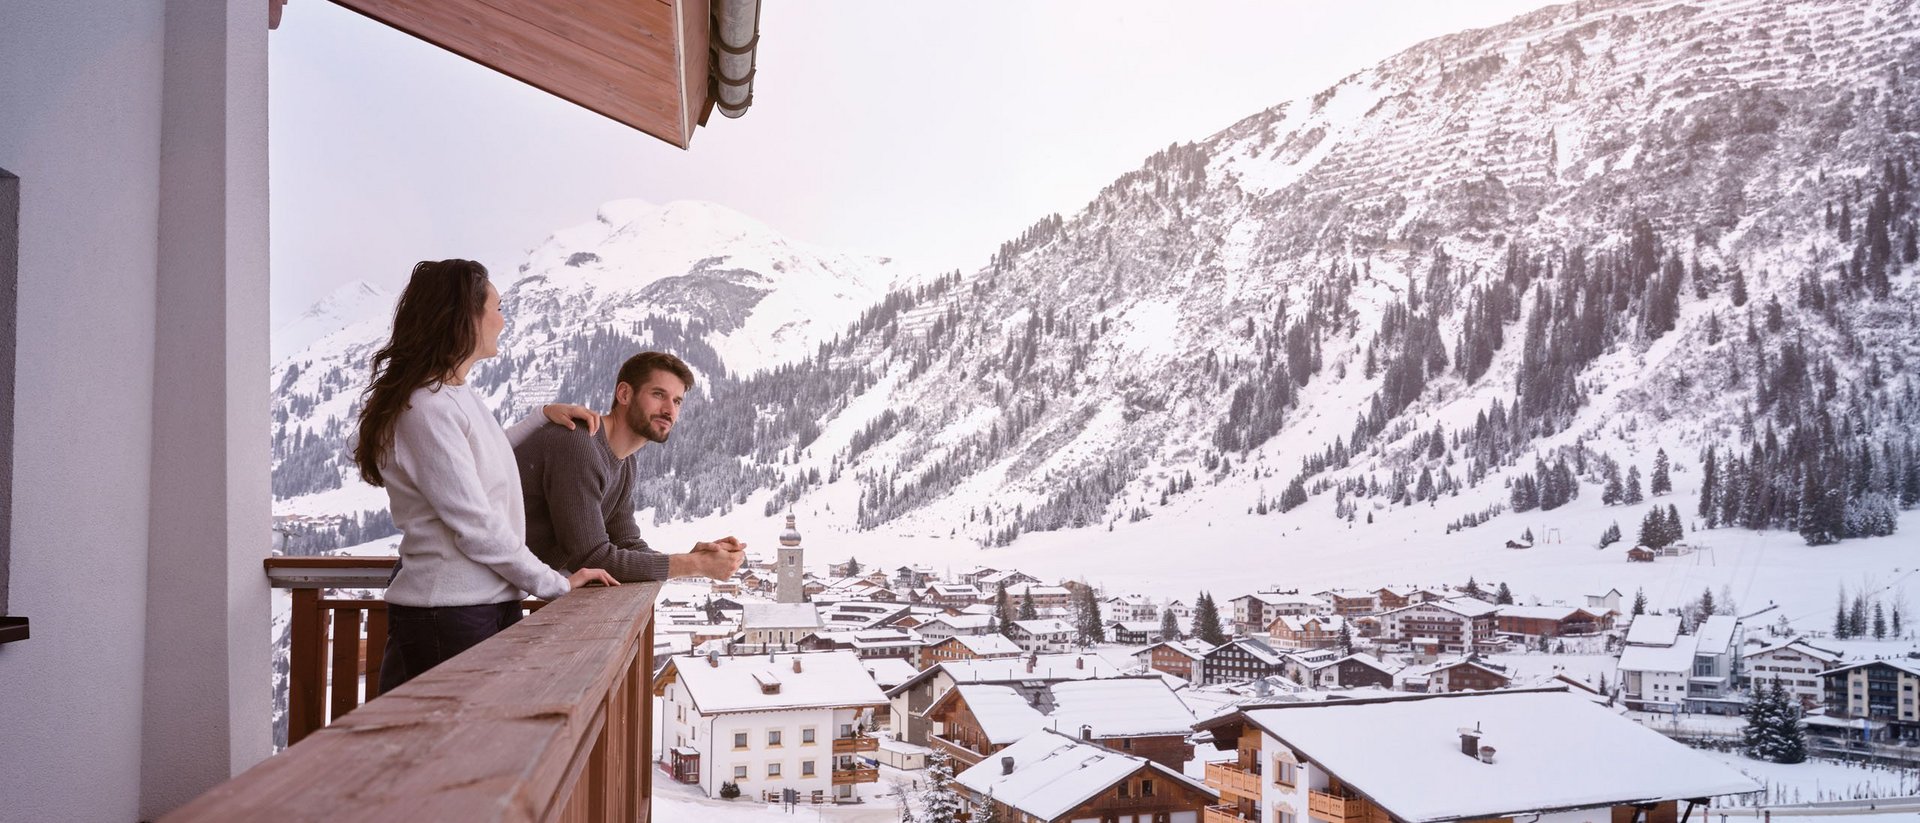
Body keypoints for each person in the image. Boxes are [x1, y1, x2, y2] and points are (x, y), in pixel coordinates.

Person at [351, 259, 619, 692]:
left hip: (478, 606)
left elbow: (483, 458)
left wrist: (540, 416)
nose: (503, 320)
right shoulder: (426, 408)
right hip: (448, 614)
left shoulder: (451, 396)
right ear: (465, 318)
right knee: (447, 734)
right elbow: (475, 523)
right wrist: (553, 583)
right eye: (497, 308)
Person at [513, 351, 745, 582]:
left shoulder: (625, 463)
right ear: (624, 394)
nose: (669, 410)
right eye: (658, 394)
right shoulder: (578, 443)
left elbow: (627, 542)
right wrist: (694, 565)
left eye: (677, 401)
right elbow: (591, 558)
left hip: (513, 588)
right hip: (494, 591)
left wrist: (693, 559)